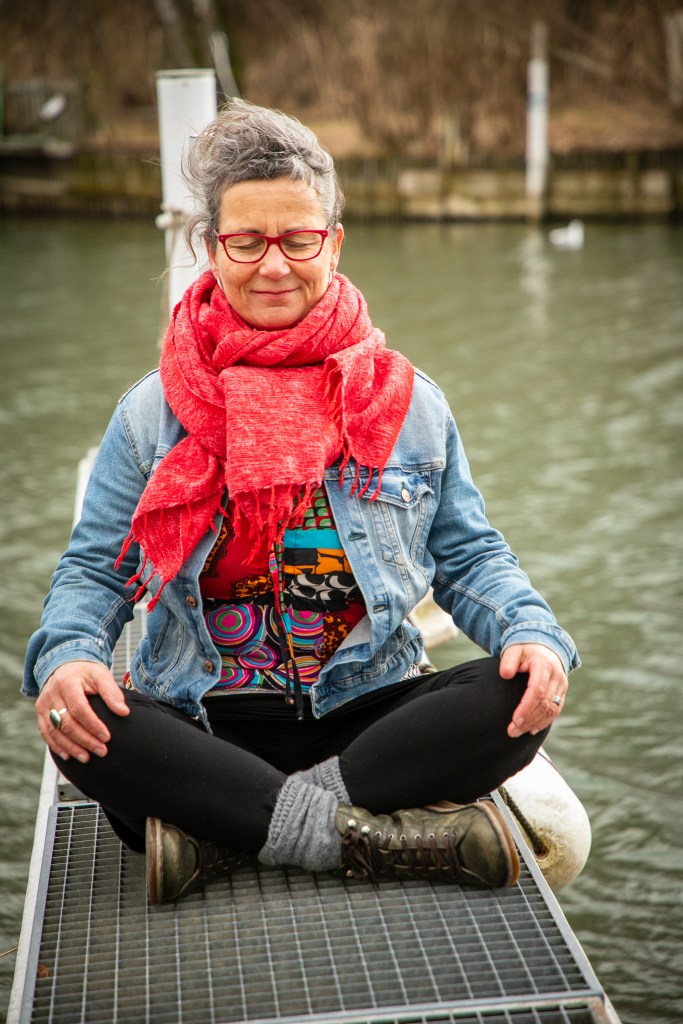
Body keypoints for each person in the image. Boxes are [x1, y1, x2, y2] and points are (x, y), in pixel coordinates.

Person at [24, 99, 579, 905]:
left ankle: (226, 830)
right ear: (212, 247)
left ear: (334, 243)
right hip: (204, 727)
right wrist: (71, 657)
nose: (274, 265)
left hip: (367, 717)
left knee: (510, 694)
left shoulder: (409, 403)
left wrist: (531, 633)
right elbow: (94, 572)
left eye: (298, 239)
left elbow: (468, 557)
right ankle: (367, 836)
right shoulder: (150, 414)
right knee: (81, 724)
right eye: (247, 241)